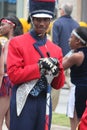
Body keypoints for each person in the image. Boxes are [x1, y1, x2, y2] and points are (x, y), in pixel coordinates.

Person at [7, 0, 65, 130]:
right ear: (32, 18)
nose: (42, 23)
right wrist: (40, 67)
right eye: (38, 19)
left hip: (44, 102)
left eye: (46, 19)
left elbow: (58, 84)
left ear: (50, 21)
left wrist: (58, 69)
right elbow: (14, 75)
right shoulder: (17, 43)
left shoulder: (56, 49)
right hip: (24, 102)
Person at [0, 15, 23, 130]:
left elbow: (5, 62)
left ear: (11, 26)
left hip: (5, 81)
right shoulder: (19, 41)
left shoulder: (10, 42)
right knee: (10, 121)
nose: (0, 27)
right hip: (14, 82)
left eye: (3, 24)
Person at [63, 26, 87, 130]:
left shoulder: (76, 56)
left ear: (78, 41)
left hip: (78, 90)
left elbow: (60, 65)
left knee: (76, 122)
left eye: (71, 37)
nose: (69, 40)